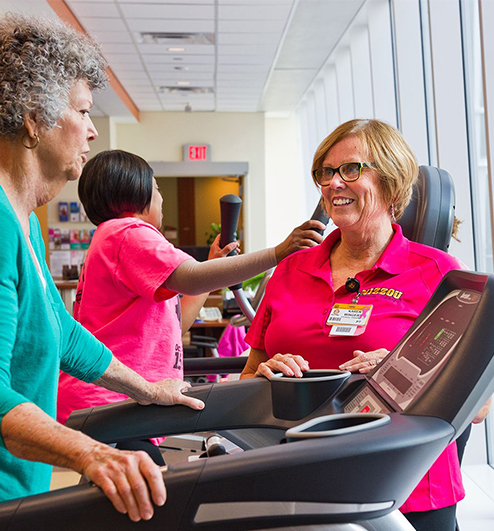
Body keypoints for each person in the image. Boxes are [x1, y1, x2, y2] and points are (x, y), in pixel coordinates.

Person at [0, 15, 205, 531]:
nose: (92, 129)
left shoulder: (20, 218)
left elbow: (60, 331)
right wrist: (93, 454)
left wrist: (145, 389)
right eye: (84, 111)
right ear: (33, 117)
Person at [241, 118, 488, 531]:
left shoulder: (438, 274)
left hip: (408, 491)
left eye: (350, 170)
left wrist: (400, 370)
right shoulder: (291, 270)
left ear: (391, 182)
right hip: (303, 478)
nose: (333, 183)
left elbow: (478, 406)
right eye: (325, 172)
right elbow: (250, 373)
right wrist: (264, 377)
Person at [57, 149, 325, 463]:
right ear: (137, 191)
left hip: (109, 402)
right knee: (147, 497)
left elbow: (177, 323)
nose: (161, 198)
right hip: (113, 401)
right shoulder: (128, 233)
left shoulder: (110, 240)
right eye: (156, 188)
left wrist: (213, 264)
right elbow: (193, 278)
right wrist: (279, 252)